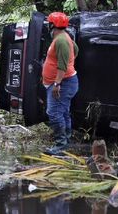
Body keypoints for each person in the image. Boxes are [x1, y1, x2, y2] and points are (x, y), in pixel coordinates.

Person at [42, 12, 79, 155]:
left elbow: (62, 66)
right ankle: (66, 142)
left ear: (53, 25)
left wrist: (57, 84)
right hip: (63, 82)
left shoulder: (61, 41)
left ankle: (61, 144)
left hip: (63, 84)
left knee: (54, 113)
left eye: (49, 23)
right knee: (63, 112)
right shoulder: (63, 37)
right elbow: (75, 50)